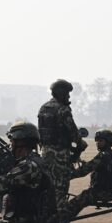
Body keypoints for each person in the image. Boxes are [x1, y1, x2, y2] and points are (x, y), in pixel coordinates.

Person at [37, 79, 88, 214]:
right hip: (60, 155)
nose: (68, 97)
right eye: (67, 94)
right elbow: (73, 132)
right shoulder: (62, 109)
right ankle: (61, 220)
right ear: (61, 93)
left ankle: (45, 216)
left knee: (48, 187)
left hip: (45, 153)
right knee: (60, 189)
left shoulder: (44, 108)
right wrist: (81, 143)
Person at [59, 129, 112, 223]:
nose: (98, 143)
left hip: (101, 192)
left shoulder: (103, 156)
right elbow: (98, 167)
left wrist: (68, 175)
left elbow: (85, 170)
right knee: (80, 199)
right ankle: (64, 221)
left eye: (101, 141)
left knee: (72, 204)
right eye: (97, 141)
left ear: (108, 142)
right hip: (107, 191)